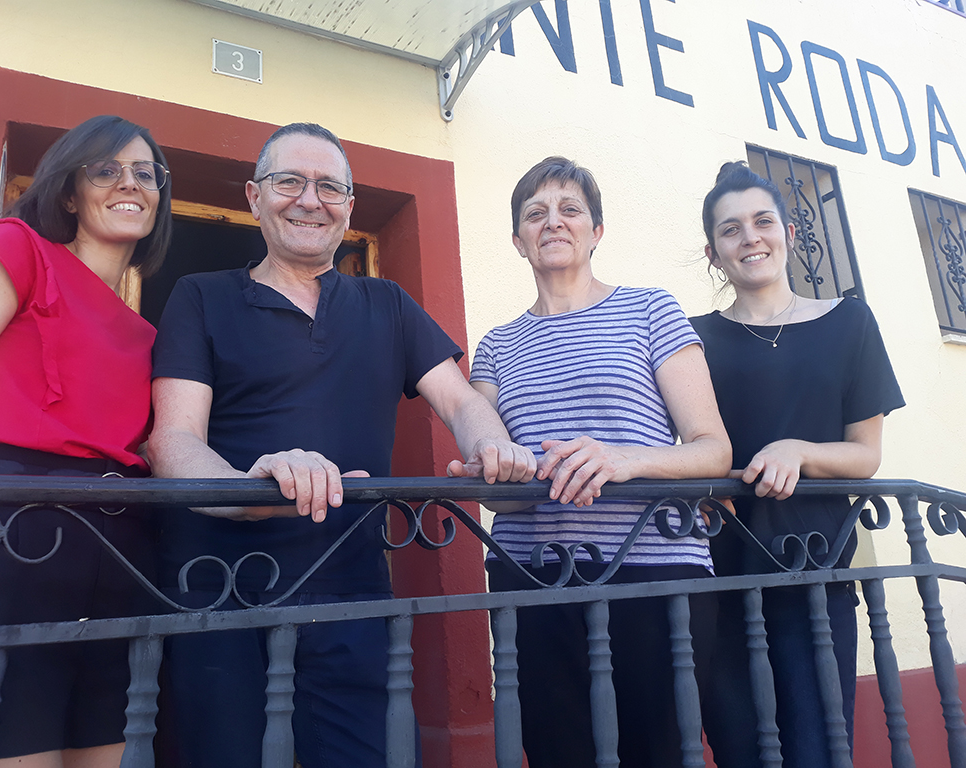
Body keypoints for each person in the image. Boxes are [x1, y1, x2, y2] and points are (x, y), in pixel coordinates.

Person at [147, 122, 536, 768]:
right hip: (221, 593)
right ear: (253, 195)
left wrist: (495, 445)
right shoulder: (200, 297)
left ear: (349, 207)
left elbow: (462, 401)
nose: (310, 199)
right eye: (289, 182)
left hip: (351, 593)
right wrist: (253, 489)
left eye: (330, 187)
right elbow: (172, 442)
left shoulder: (386, 303)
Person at [469, 156, 731, 768]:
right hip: (534, 582)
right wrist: (489, 472)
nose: (553, 223)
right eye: (535, 213)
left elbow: (713, 448)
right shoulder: (495, 346)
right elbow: (497, 487)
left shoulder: (651, 310)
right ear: (517, 240)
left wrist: (623, 460)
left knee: (660, 754)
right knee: (560, 754)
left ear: (597, 230)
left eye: (569, 210)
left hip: (657, 572)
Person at [0, 115, 172, 767]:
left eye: (145, 173)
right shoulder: (19, 249)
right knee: (10, 749)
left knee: (107, 750)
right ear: (69, 191)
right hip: (12, 536)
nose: (130, 184)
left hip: (120, 547)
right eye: (106, 169)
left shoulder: (145, 334)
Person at [689, 162, 905, 768]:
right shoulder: (692, 337)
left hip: (818, 572)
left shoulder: (849, 321)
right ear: (714, 252)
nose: (749, 237)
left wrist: (799, 450)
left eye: (762, 221)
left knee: (817, 752)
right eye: (730, 229)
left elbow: (866, 455)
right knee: (741, 753)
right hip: (722, 575)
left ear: (787, 229)